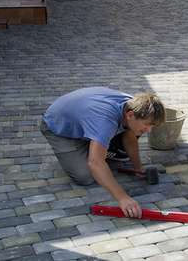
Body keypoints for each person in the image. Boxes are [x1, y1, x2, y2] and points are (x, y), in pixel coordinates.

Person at [40, 87, 165, 218]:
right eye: (147, 124)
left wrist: (138, 167)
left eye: (152, 126)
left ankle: (95, 143)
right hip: (58, 127)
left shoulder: (133, 106)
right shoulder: (105, 121)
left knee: (131, 135)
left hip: (87, 117)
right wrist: (123, 198)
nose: (149, 130)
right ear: (129, 115)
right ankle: (90, 144)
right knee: (85, 176)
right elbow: (95, 163)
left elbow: (129, 136)